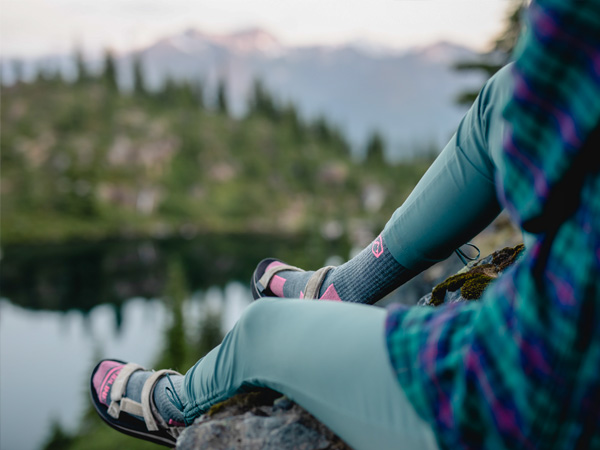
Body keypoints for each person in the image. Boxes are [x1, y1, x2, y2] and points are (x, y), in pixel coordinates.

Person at [90, 1, 600, 448]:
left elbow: (544, 163)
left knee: (260, 330)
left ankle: (175, 406)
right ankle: (345, 286)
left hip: (529, 394)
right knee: (501, 97)